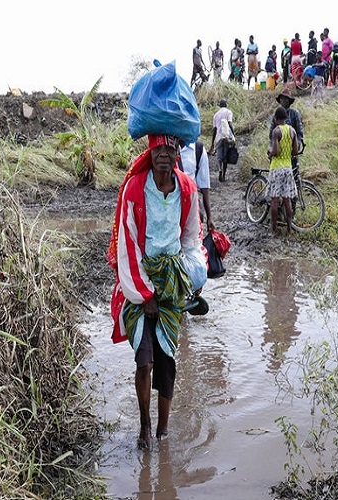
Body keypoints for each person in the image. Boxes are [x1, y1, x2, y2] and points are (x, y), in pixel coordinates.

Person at [107, 132, 208, 449]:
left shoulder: (186, 189)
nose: (163, 153)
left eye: (169, 148)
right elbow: (127, 244)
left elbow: (191, 238)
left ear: (177, 152)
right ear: (149, 152)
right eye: (157, 148)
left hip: (171, 284)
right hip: (138, 281)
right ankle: (145, 427)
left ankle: (163, 431)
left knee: (166, 362)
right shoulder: (135, 189)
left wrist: (194, 275)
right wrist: (144, 294)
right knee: (144, 360)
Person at [267, 106, 299, 235]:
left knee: (275, 200)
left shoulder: (276, 131)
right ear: (285, 118)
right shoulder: (292, 131)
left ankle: (274, 229)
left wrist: (269, 152)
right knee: (287, 200)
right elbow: (295, 151)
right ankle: (289, 229)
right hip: (288, 167)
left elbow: (275, 151)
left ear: (276, 118)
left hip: (276, 168)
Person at [179, 140, 215, 232]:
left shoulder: (198, 149)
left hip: (192, 202)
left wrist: (209, 216)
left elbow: (204, 184)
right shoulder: (166, 147)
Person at [269, 88, 303, 174]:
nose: (282, 100)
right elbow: (271, 135)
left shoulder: (295, 114)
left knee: (294, 173)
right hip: (278, 151)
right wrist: (271, 148)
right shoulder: (276, 115)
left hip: (291, 150)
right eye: (281, 98)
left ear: (288, 101)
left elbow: (299, 133)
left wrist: (296, 146)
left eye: (285, 98)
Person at [211, 99, 234, 182]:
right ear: (226, 104)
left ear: (219, 105)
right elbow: (230, 123)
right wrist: (233, 135)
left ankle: (220, 170)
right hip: (226, 137)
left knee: (219, 156)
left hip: (219, 137)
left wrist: (212, 143)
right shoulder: (228, 112)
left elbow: (214, 129)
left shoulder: (216, 115)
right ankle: (224, 174)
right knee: (225, 156)